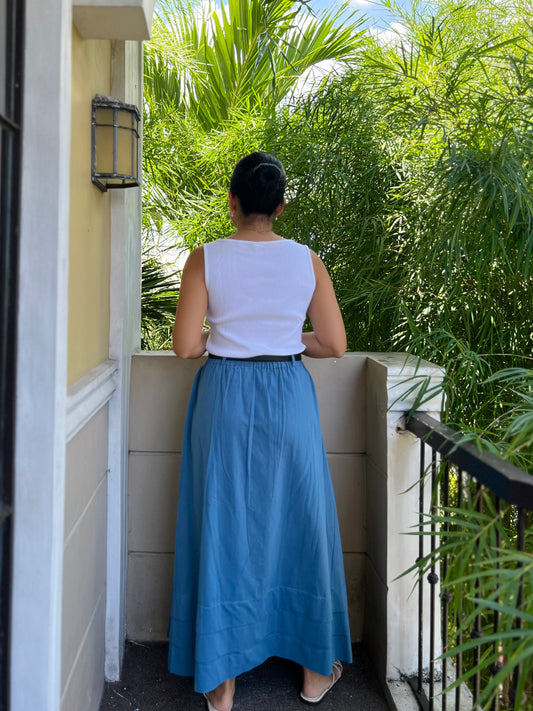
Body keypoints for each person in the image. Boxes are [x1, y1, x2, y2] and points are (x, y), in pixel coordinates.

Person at [168, 152, 352, 711]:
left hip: (225, 394)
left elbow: (185, 347)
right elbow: (335, 344)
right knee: (301, 520)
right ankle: (315, 673)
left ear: (231, 202)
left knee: (222, 521)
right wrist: (286, 340)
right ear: (279, 205)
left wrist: (231, 337)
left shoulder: (205, 259)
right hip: (288, 397)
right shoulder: (308, 262)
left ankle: (221, 682)